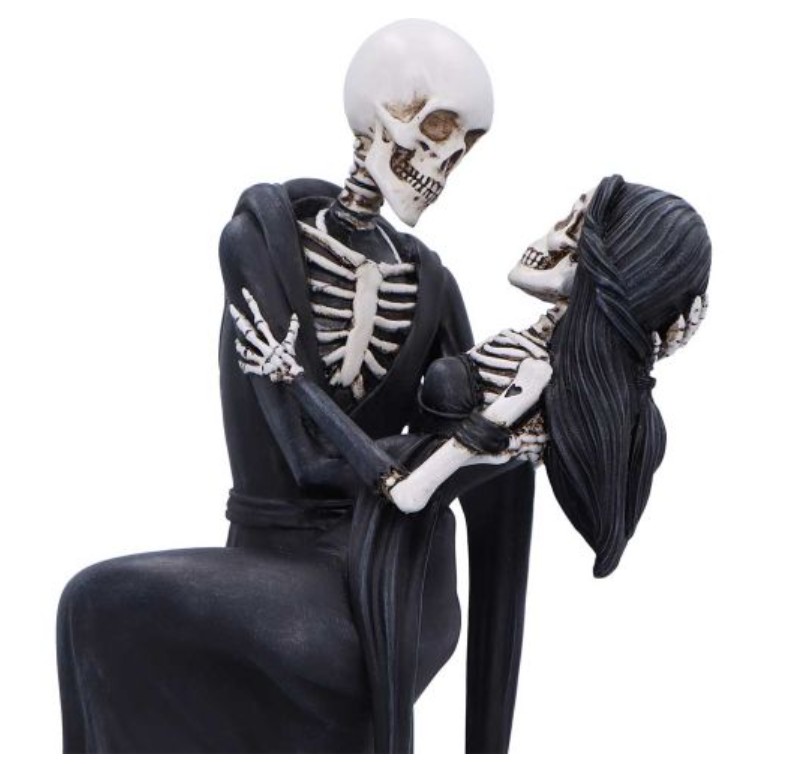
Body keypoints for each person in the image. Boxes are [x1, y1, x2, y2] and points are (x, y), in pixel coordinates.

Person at [57, 19, 539, 754]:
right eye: (434, 129)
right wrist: (443, 457)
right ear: (374, 120)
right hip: (276, 568)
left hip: (387, 587)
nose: (444, 161)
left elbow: (473, 472)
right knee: (117, 624)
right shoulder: (259, 238)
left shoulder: (433, 283)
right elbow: (310, 461)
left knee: (92, 603)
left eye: (465, 143)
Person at [229, 174, 712, 748]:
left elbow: (405, 490)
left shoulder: (532, 381)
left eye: (578, 230)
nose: (553, 236)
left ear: (608, 270)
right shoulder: (544, 364)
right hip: (375, 560)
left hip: (391, 572)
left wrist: (295, 380)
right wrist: (639, 344)